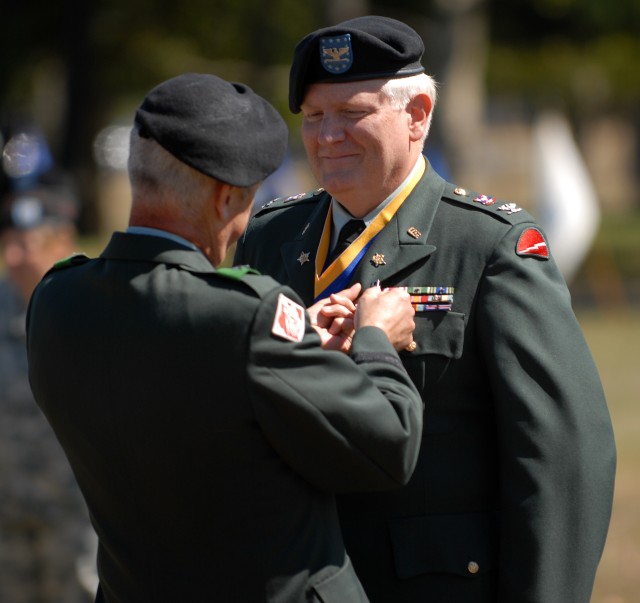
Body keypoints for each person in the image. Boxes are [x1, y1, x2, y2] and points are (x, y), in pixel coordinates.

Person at [234, 15, 617, 603]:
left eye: (352, 114)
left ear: (416, 117)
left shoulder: (489, 246)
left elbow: (561, 459)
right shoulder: (271, 237)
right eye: (313, 117)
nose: (327, 135)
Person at [26, 73, 424, 603]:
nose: (242, 227)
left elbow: (175, 364)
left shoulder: (56, 299)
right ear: (223, 198)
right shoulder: (249, 318)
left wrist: (291, 338)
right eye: (247, 205)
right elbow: (390, 444)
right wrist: (375, 338)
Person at [0, 184, 94, 603]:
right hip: (8, 515)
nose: (14, 257)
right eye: (9, 244)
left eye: (27, 243)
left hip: (74, 516)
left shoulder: (91, 308)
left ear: (62, 241)